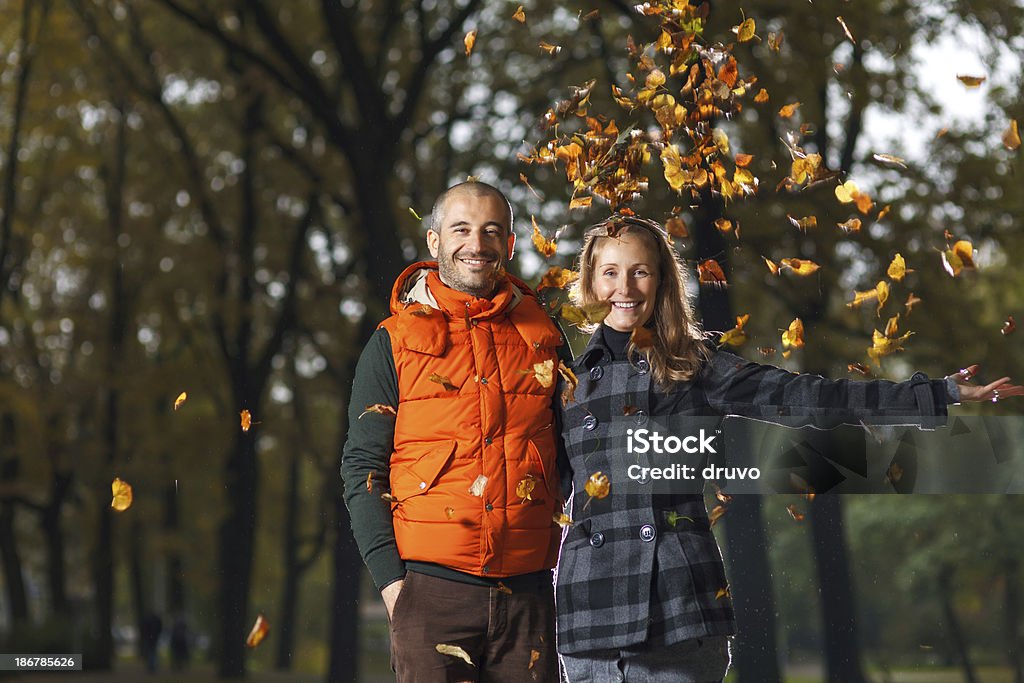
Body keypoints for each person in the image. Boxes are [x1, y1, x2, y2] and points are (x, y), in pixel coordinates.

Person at [554, 215, 1022, 682]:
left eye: (641, 271)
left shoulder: (694, 368)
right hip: (589, 612)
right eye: (610, 272)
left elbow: (809, 398)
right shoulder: (566, 384)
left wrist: (937, 394)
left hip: (679, 610)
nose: (626, 287)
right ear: (591, 282)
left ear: (661, 281)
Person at [341, 181, 567, 682]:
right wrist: (393, 585)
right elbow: (363, 469)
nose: (477, 244)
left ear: (509, 245)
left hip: (528, 594)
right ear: (435, 242)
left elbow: (573, 456)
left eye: (492, 231)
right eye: (461, 229)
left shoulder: (545, 339)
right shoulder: (392, 342)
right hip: (429, 591)